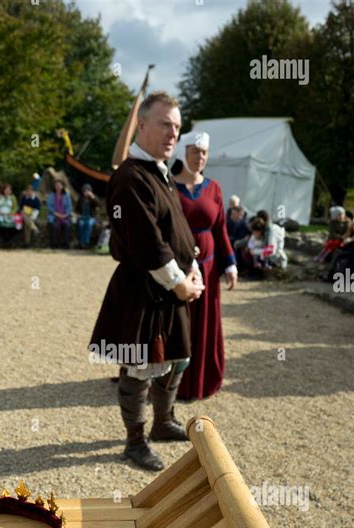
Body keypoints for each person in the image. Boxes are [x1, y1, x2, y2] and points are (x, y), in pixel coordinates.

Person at [89, 91, 205, 471]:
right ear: (141, 124)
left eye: (177, 126)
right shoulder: (129, 177)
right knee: (139, 367)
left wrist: (194, 269)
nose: (173, 133)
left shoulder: (160, 172)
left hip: (170, 288)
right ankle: (135, 442)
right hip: (144, 289)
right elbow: (147, 243)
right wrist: (180, 283)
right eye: (164, 124)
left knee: (179, 358)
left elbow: (177, 231)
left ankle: (162, 421)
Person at [171, 131, 237, 401]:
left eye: (204, 153)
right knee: (176, 324)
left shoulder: (214, 188)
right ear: (183, 152)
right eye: (195, 151)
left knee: (203, 326)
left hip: (208, 270)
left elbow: (220, 229)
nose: (200, 157)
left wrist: (230, 264)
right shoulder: (169, 186)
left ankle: (199, 379)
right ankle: (169, 383)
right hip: (176, 269)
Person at [47, 180, 72, 249]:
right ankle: (53, 244)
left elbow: (69, 207)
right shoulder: (51, 196)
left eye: (59, 185)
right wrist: (57, 214)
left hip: (65, 216)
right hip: (54, 215)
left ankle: (65, 244)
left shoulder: (66, 196)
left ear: (62, 186)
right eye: (56, 185)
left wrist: (65, 215)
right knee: (53, 226)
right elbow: (50, 207)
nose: (58, 187)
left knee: (66, 225)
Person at [75, 183, 100, 249]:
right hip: (82, 217)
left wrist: (92, 197)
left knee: (89, 224)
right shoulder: (81, 199)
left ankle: (86, 242)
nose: (86, 192)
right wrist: (78, 215)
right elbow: (77, 209)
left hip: (91, 217)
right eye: (84, 190)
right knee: (81, 224)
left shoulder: (94, 197)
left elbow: (99, 204)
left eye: (88, 190)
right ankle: (81, 242)